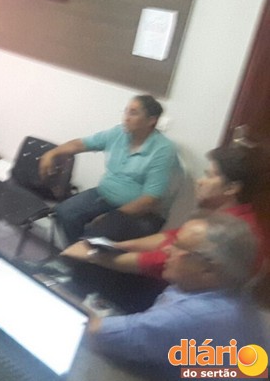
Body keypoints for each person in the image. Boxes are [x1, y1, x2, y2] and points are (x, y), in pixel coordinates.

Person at [88, 214, 268, 380]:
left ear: (209, 269)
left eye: (179, 246)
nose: (167, 249)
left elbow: (93, 333)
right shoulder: (232, 293)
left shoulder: (191, 317)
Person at [62, 144, 267, 279]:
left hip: (176, 289)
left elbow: (157, 262)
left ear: (231, 188)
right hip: (176, 277)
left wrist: (93, 256)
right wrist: (118, 246)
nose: (200, 181)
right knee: (107, 236)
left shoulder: (227, 232)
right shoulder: (224, 215)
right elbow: (171, 237)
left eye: (210, 176)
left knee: (92, 269)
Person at [40, 95, 177, 244]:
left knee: (96, 233)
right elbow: (80, 144)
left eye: (133, 113)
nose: (126, 118)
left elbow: (150, 200)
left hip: (141, 212)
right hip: (104, 194)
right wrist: (52, 153)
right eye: (126, 111)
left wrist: (112, 216)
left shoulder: (163, 150)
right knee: (64, 212)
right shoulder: (118, 133)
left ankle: (90, 254)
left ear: (151, 120)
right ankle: (76, 252)